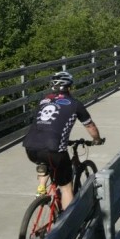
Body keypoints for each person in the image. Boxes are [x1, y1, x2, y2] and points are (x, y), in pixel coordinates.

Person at [22, 71, 104, 210]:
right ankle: (67, 227)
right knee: (66, 187)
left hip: (30, 147)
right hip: (54, 149)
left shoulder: (43, 100)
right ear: (70, 87)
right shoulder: (75, 104)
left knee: (45, 162)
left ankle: (41, 188)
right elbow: (90, 126)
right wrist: (97, 139)